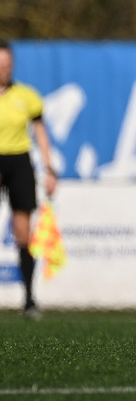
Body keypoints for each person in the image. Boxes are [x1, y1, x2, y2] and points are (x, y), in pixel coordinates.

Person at [0, 40, 58, 319]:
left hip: (19, 162)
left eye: (8, 65)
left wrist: (49, 168)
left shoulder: (27, 96)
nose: (4, 70)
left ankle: (29, 300)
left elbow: (40, 132)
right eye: (0, 65)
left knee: (23, 233)